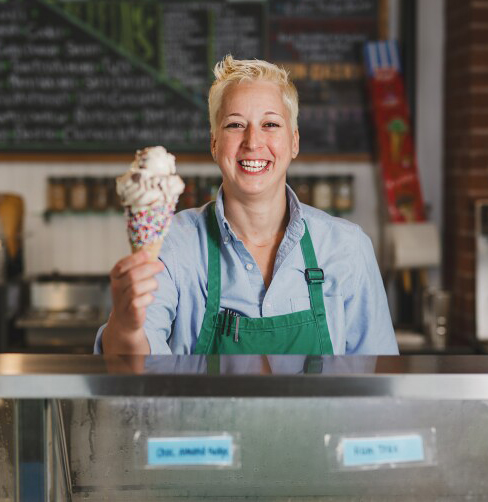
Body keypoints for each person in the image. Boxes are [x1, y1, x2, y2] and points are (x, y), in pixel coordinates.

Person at [95, 55, 398, 355]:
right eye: (236, 125)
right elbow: (132, 368)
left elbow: (380, 381)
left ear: (294, 142)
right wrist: (126, 325)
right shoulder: (173, 246)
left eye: (270, 124)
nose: (253, 142)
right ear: (214, 143)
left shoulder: (347, 247)